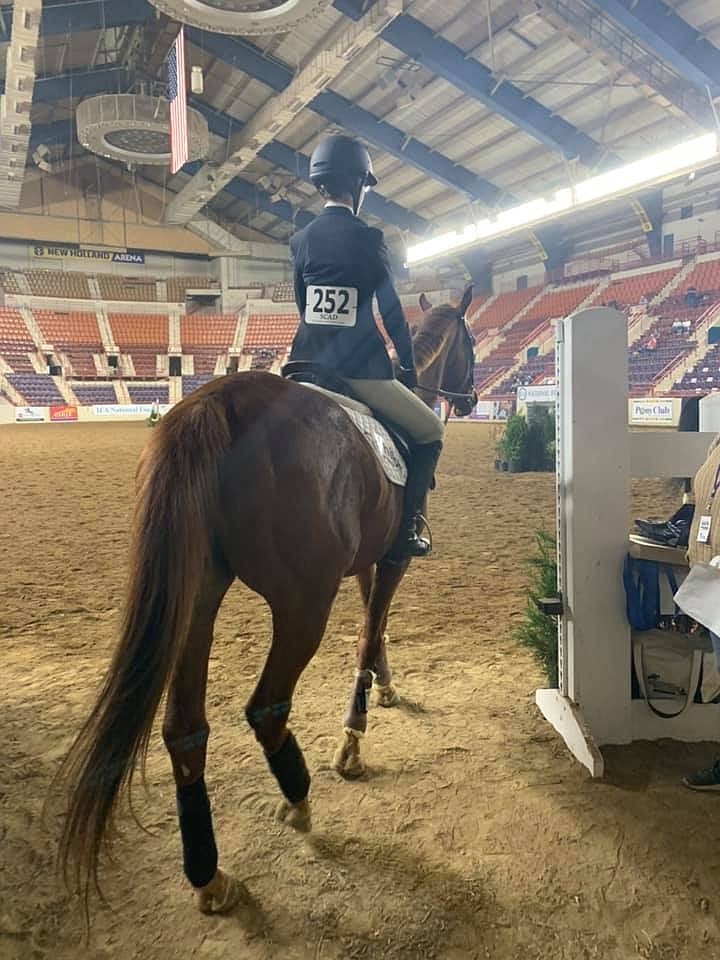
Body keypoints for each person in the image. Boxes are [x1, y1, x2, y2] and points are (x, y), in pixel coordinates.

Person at [286, 134, 444, 561]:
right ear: (358, 184)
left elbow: (305, 306)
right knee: (431, 431)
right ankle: (407, 529)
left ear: (321, 184)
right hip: (359, 370)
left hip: (303, 365)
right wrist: (408, 369)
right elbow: (391, 312)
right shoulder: (370, 238)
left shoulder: (300, 241)